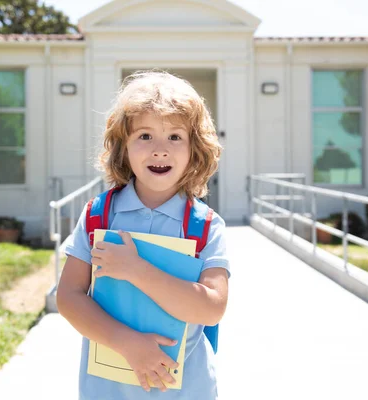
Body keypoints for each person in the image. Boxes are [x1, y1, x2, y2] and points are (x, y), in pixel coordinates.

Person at [57, 70, 230, 400]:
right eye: (145, 136)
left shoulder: (206, 225)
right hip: (107, 391)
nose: (160, 150)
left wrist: (136, 270)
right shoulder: (98, 215)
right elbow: (69, 297)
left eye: (175, 137)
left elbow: (212, 309)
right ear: (124, 147)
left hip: (188, 391)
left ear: (196, 149)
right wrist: (129, 344)